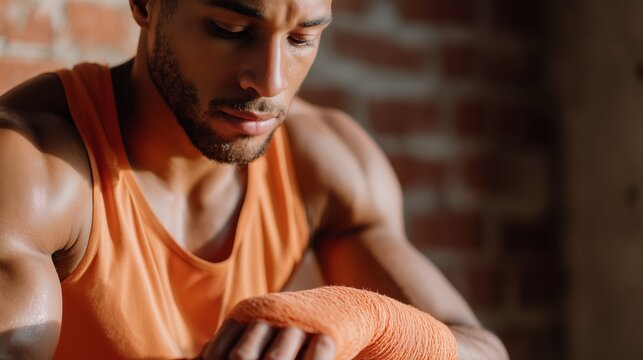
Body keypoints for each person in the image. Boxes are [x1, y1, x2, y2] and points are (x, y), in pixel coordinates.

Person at [0, 0, 508, 358]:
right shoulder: (30, 167)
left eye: (302, 39)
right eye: (230, 29)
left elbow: (480, 351)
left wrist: (362, 319)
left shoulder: (324, 161)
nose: (270, 82)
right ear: (145, 4)